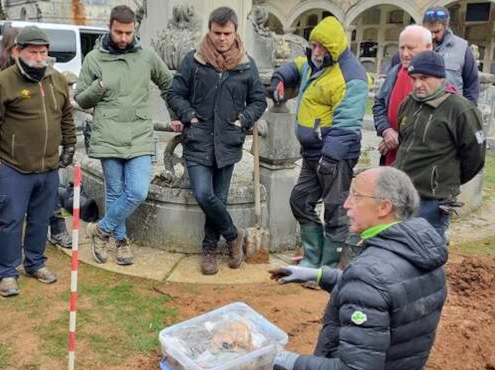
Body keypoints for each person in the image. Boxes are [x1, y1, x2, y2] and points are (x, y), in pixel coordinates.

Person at [270, 167, 447, 370]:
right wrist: (319, 274)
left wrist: (292, 362)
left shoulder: (369, 274)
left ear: (384, 207)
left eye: (355, 196)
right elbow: (388, 290)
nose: (346, 204)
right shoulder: (421, 254)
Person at [167, 7, 267, 275]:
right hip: (198, 140)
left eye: (227, 33)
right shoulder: (194, 60)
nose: (221, 39)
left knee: (218, 199)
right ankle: (234, 235)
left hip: (228, 142)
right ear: (209, 31)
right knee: (203, 193)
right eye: (216, 33)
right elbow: (175, 93)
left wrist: (243, 119)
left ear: (235, 33)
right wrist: (188, 115)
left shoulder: (246, 64)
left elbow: (259, 100)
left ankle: (209, 249)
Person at [0, 26, 76, 297]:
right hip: (13, 167)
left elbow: (66, 116)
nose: (38, 56)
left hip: (48, 166)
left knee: (41, 218)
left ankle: (35, 262)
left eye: (43, 52)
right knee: (10, 220)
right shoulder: (2, 82)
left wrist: (69, 144)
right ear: (17, 52)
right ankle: (6, 272)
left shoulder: (56, 80)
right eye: (32, 51)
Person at [76, 5, 174, 266]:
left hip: (139, 134)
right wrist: (98, 88)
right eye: (118, 32)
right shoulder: (94, 59)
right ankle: (120, 242)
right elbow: (80, 99)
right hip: (108, 134)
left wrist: (177, 116)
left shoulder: (147, 56)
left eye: (128, 33)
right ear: (109, 27)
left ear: (135, 30)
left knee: (138, 191)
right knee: (114, 192)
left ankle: (100, 230)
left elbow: (168, 83)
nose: (123, 38)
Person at [271, 16, 369, 268]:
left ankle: (328, 267)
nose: (315, 51)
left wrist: (330, 157)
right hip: (313, 153)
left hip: (336, 156)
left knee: (336, 210)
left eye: (320, 47)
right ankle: (312, 259)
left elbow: (347, 124)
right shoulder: (316, 64)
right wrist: (279, 80)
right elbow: (296, 65)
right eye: (313, 45)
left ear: (333, 48)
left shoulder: (351, 77)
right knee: (300, 201)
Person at [394, 51, 485, 238]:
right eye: (414, 78)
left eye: (424, 78)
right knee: (399, 249)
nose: (418, 84)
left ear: (440, 77)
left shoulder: (461, 109)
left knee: (427, 252)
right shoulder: (408, 104)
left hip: (433, 200)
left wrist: (444, 181)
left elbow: (475, 157)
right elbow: (404, 144)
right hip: (402, 193)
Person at [373, 25, 432, 166]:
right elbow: (379, 104)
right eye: (402, 48)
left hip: (418, 163)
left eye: (411, 48)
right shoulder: (395, 72)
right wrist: (386, 131)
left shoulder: (437, 78)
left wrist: (398, 139)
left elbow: (433, 119)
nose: (405, 54)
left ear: (428, 47)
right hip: (391, 157)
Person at [422, 6, 479, 104]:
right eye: (429, 32)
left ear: (446, 25)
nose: (433, 36)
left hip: (452, 111)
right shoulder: (413, 46)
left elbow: (471, 86)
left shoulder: (462, 48)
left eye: (437, 31)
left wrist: (468, 112)